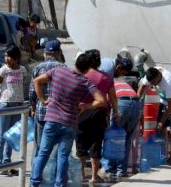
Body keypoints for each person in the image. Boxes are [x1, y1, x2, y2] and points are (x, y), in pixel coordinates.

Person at [30, 53, 106, 187]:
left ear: (75, 62)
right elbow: (101, 101)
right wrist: (85, 106)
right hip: (70, 123)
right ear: (87, 69)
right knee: (63, 156)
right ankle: (59, 184)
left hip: (52, 120)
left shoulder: (58, 71)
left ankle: (34, 183)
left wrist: (42, 100)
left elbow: (37, 81)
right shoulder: (85, 82)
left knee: (43, 153)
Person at [75, 49, 118, 183]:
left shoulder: (81, 76)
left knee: (80, 143)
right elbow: (113, 98)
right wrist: (116, 112)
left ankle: (82, 175)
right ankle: (94, 176)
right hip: (99, 112)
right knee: (96, 143)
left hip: (81, 111)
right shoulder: (106, 77)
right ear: (99, 61)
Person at [137, 67, 171, 166]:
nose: (153, 85)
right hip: (163, 101)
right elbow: (142, 87)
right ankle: (160, 153)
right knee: (159, 128)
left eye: (154, 82)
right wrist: (135, 101)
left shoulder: (168, 81)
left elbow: (170, 106)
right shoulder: (150, 75)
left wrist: (161, 121)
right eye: (151, 83)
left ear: (159, 75)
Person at [0, 46, 27, 176]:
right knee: (2, 135)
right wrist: (0, 99)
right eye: (5, 56)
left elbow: (20, 85)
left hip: (18, 105)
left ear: (16, 58)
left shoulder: (22, 70)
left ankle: (8, 163)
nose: (7, 59)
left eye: (9, 56)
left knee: (11, 135)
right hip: (5, 105)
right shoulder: (3, 70)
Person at [29, 40, 66, 161]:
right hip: (58, 114)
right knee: (55, 148)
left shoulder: (37, 68)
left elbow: (31, 93)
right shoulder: (64, 68)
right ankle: (51, 175)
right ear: (59, 52)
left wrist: (34, 108)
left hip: (41, 112)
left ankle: (36, 175)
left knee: (40, 146)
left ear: (45, 53)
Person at [105, 77, 142, 177]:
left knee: (114, 137)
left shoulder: (105, 82)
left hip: (121, 103)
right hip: (137, 104)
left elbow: (105, 103)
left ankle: (111, 169)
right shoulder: (120, 82)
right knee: (126, 138)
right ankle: (121, 171)